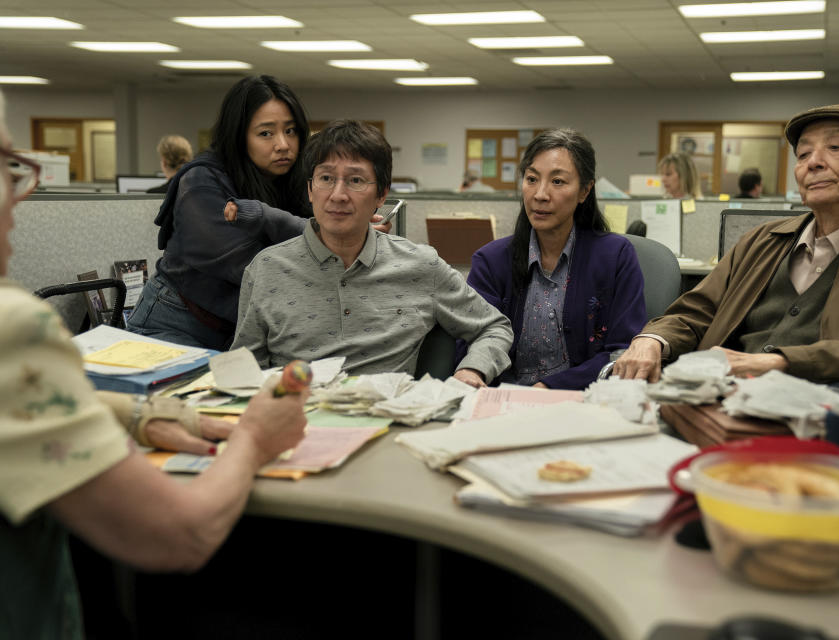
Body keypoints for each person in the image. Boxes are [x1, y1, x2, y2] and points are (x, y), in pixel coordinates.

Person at [0, 89, 309, 637]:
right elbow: (178, 535)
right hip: (179, 321)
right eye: (9, 167)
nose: (24, 191)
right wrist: (254, 441)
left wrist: (138, 415)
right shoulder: (14, 326)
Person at [613, 104, 839, 385]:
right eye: (804, 153)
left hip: (819, 411)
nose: (814, 162)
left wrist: (778, 363)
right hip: (709, 398)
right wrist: (652, 339)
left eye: (835, 148)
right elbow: (695, 311)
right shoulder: (761, 241)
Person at [231, 120, 513, 388]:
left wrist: (472, 369)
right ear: (309, 189)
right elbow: (246, 370)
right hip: (296, 420)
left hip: (387, 420)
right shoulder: (267, 268)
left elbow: (494, 327)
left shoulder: (420, 265)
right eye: (326, 178)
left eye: (355, 180)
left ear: (381, 195)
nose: (338, 195)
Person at [127, 75, 390, 351]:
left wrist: (352, 232)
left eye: (290, 131)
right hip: (175, 323)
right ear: (239, 136)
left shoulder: (296, 179)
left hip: (243, 331)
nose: (283, 144)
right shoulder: (200, 183)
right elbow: (260, 271)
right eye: (266, 133)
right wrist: (334, 238)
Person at [464, 128, 647, 390]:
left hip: (583, 403)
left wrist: (549, 388)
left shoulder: (615, 257)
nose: (540, 194)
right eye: (531, 179)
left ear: (584, 191)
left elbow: (624, 351)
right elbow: (470, 339)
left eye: (558, 182)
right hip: (501, 404)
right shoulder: (491, 261)